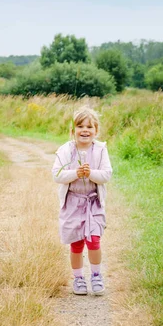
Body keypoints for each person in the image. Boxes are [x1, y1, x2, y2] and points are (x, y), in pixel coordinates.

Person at [52, 106, 113, 295]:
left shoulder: (101, 149)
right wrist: (75, 173)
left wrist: (91, 174)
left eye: (89, 127)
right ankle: (78, 279)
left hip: (93, 203)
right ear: (73, 131)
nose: (84, 130)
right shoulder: (66, 150)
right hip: (73, 203)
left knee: (94, 240)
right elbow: (57, 175)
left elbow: (106, 175)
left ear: (96, 131)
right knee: (76, 242)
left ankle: (96, 275)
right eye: (80, 126)